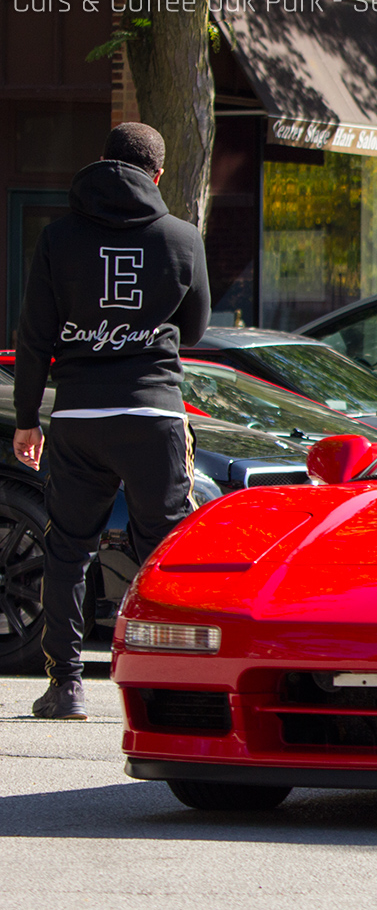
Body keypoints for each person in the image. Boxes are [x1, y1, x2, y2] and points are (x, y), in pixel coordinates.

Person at [14, 122, 210, 719]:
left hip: (79, 413)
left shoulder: (59, 237)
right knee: (165, 549)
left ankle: (66, 685)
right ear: (155, 176)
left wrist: (28, 420)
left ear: (101, 164)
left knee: (68, 549)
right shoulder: (182, 236)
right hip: (153, 412)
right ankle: (172, 685)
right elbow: (196, 327)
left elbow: (33, 337)